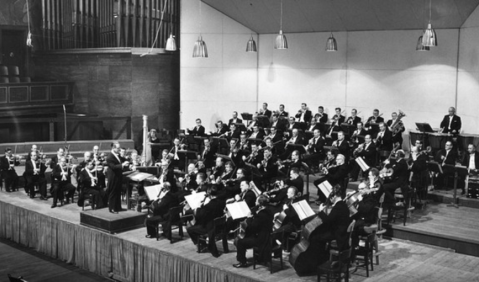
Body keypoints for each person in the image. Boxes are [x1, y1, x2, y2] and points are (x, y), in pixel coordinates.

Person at [292, 185, 350, 276]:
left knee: (315, 238)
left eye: (331, 197)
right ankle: (319, 261)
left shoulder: (338, 207)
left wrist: (321, 211)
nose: (330, 199)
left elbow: (328, 220)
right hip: (339, 232)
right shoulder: (342, 205)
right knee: (318, 236)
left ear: (335, 196)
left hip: (338, 235)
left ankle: (316, 264)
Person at [233, 194, 274, 268]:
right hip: (267, 236)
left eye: (256, 201)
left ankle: (242, 262)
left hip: (261, 239)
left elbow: (252, 227)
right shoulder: (268, 211)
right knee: (245, 237)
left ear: (260, 204)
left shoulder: (261, 215)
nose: (255, 202)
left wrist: (249, 218)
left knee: (240, 242)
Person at [187, 185, 226, 258]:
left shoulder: (208, 206)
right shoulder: (222, 202)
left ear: (210, 195)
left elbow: (199, 217)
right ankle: (203, 244)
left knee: (189, 229)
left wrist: (198, 208)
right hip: (219, 227)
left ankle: (202, 245)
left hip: (210, 228)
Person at [106, 142, 131, 213]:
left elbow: (122, 160)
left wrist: (128, 163)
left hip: (118, 177)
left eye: (119, 148)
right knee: (113, 192)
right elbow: (113, 167)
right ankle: (112, 208)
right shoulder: (110, 157)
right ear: (113, 148)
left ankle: (118, 207)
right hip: (113, 177)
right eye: (118, 148)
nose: (119, 150)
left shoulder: (117, 155)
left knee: (118, 192)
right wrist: (122, 165)